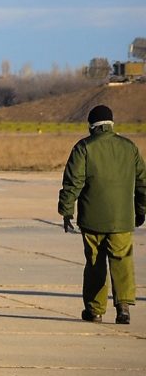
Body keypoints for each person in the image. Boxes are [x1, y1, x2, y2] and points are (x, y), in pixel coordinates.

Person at [58, 105, 146, 324]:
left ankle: (95, 310)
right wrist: (141, 210)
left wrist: (66, 210)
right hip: (122, 219)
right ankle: (123, 307)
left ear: (91, 125)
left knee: (95, 263)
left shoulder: (84, 148)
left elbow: (73, 182)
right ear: (111, 124)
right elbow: (143, 183)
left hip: (92, 219)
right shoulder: (129, 147)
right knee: (122, 260)